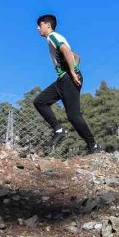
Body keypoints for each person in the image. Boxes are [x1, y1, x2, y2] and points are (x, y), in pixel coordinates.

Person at [32, 14, 101, 154]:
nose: (38, 28)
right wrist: (74, 70)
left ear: (48, 25)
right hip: (64, 79)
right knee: (40, 101)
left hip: (68, 78)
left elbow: (65, 50)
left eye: (40, 25)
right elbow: (76, 57)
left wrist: (73, 73)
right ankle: (58, 129)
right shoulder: (54, 39)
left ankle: (93, 146)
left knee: (74, 115)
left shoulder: (53, 36)